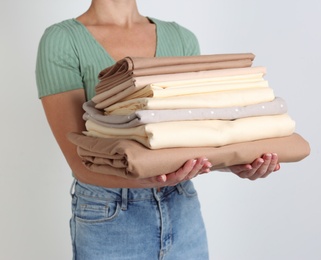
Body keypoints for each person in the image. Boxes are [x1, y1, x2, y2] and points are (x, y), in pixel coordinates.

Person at [35, 0, 280, 259]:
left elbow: (197, 134)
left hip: (182, 206)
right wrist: (152, 177)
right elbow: (80, 160)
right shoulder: (62, 40)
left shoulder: (181, 38)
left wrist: (234, 162)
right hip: (110, 213)